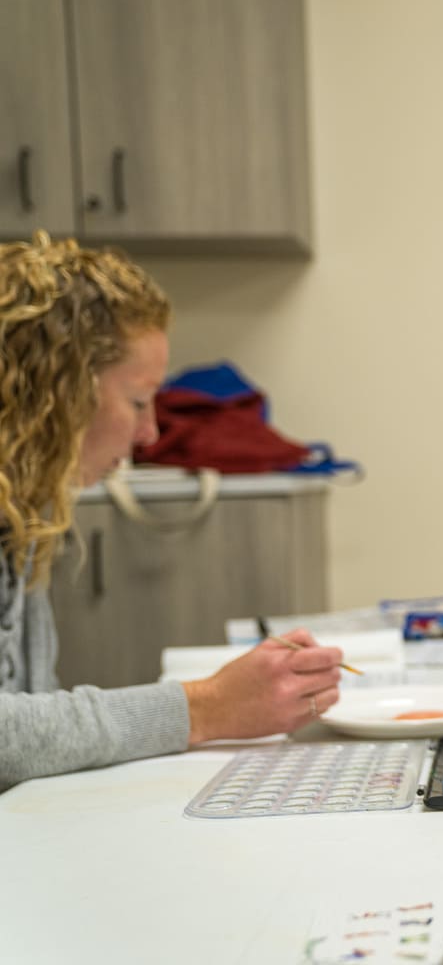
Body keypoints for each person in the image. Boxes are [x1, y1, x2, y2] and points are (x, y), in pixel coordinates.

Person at [0, 231, 345, 791]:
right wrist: (206, 707)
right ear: (56, 395)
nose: (150, 432)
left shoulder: (26, 513)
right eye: (137, 402)